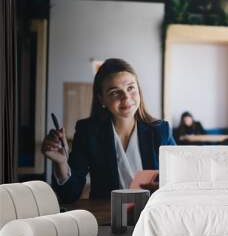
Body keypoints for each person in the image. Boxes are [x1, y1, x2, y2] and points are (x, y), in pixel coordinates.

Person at [42, 58, 176, 203]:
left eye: (131, 88)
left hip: (152, 215)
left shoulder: (160, 131)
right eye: (114, 92)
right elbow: (70, 195)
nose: (126, 97)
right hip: (109, 219)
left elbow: (180, 180)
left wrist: (165, 188)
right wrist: (61, 163)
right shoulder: (88, 132)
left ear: (139, 89)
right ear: (101, 99)